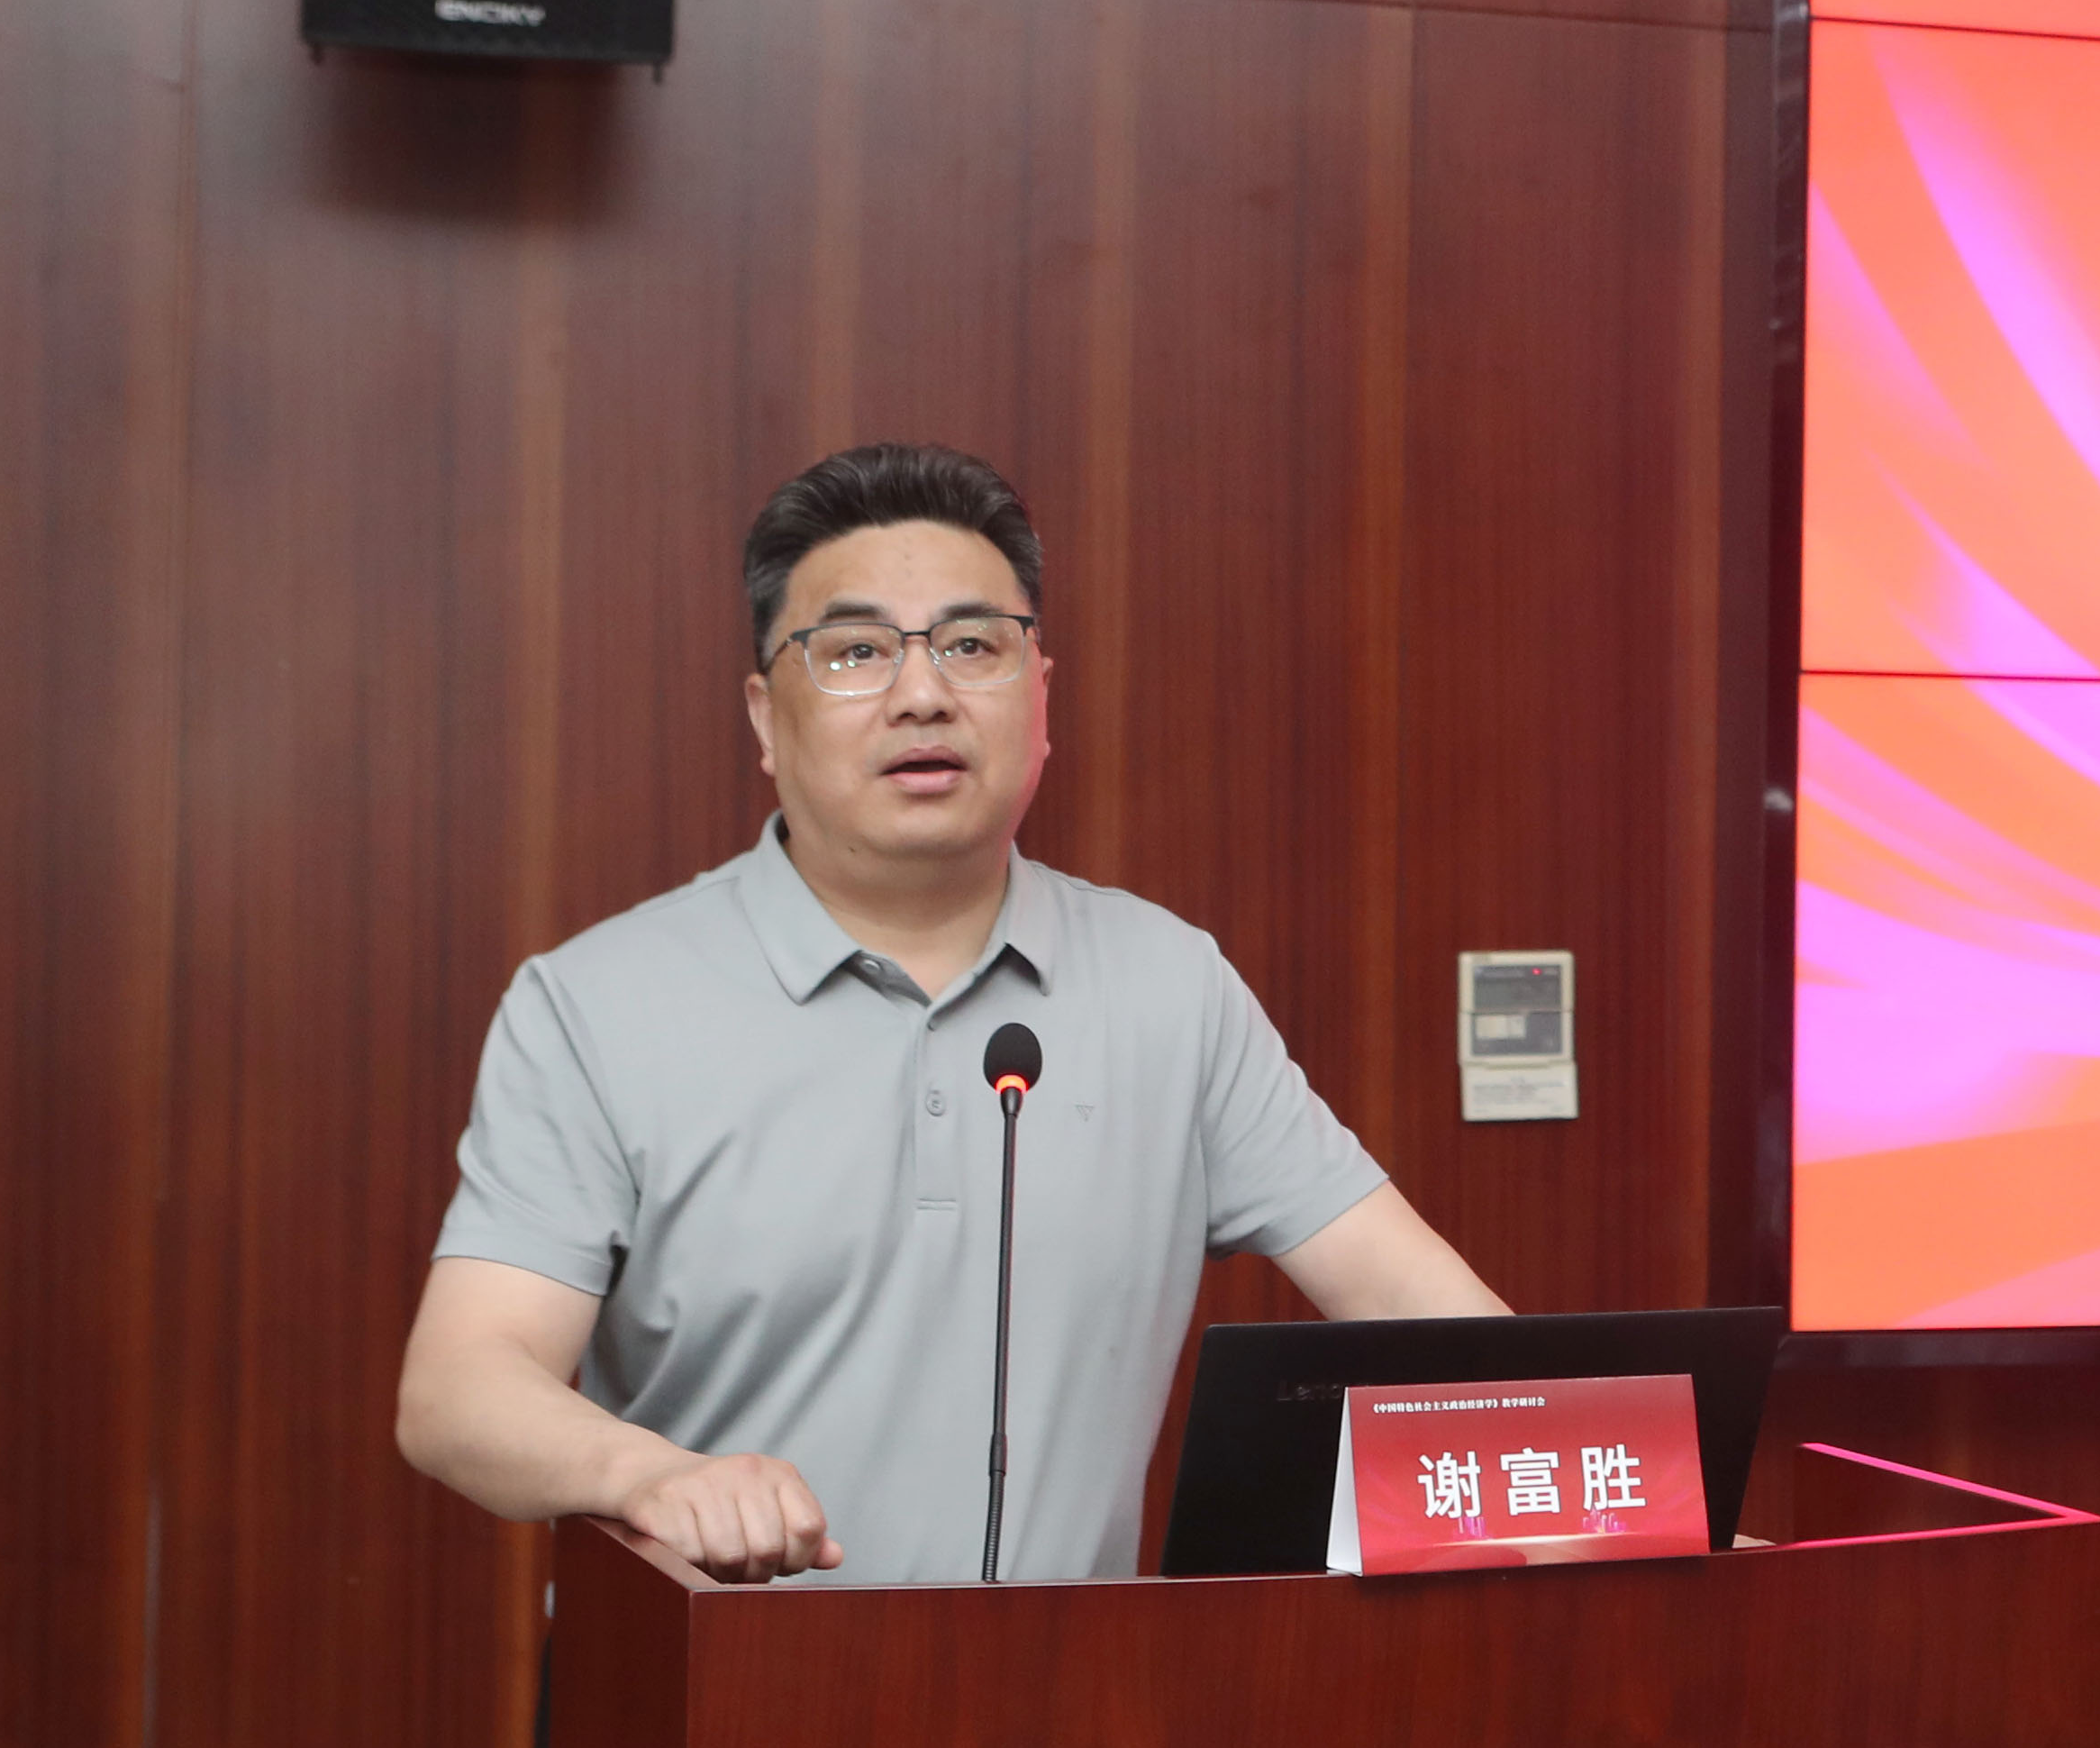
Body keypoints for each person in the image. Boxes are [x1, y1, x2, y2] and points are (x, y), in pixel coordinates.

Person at [395, 442, 1508, 1581]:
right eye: (855, 651)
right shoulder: (598, 1004)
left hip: (1075, 1690)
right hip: (718, 1682)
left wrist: (1608, 1462)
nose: (923, 694)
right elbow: (460, 1387)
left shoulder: (1170, 985)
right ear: (765, 718)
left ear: (1040, 697)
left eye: (973, 645)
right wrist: (651, 1476)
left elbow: (1416, 1306)